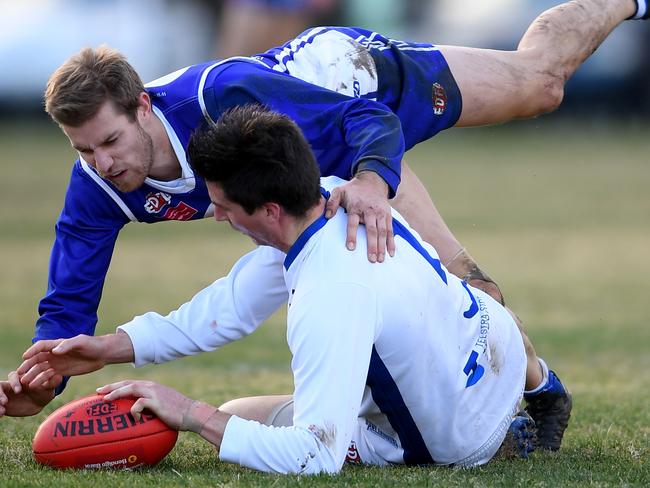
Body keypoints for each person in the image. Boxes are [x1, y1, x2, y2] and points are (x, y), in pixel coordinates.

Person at [1, 0, 645, 418]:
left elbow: (366, 120)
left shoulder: (222, 97)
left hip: (347, 89)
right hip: (317, 167)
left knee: (541, 83)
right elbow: (68, 302)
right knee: (431, 279)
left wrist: (370, 179)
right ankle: (541, 395)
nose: (102, 163)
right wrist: (41, 375)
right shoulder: (97, 184)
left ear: (143, 106)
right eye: (84, 150)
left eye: (111, 141)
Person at [10, 106, 574, 473]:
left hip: (456, 442)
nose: (216, 217)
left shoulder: (329, 295)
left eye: (224, 207)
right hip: (494, 349)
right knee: (468, 306)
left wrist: (192, 413)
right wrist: (108, 347)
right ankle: (543, 385)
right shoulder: (335, 197)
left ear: (269, 210)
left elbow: (315, 455)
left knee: (237, 416)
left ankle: (503, 439)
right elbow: (229, 307)